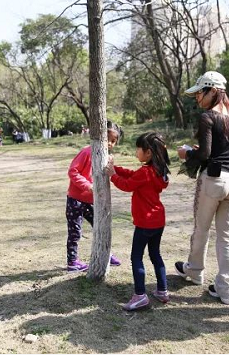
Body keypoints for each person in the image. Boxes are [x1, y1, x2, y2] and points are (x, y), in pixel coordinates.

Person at [174, 71, 229, 306]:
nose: (197, 98)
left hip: (214, 181)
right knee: (226, 236)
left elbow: (204, 154)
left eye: (200, 93)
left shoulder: (208, 117)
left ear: (213, 91)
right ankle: (226, 290)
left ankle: (194, 271)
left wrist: (188, 153)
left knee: (201, 228)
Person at [106, 132, 171, 311]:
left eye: (138, 149)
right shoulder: (158, 171)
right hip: (158, 221)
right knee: (155, 255)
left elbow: (127, 185)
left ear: (148, 152)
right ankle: (162, 290)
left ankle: (140, 295)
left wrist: (112, 175)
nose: (136, 152)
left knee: (136, 257)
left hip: (145, 223)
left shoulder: (145, 172)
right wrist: (116, 169)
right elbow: (133, 175)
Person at [66, 121, 122, 272]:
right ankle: (72, 261)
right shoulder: (86, 152)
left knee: (101, 228)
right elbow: (73, 172)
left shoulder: (108, 157)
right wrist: (88, 186)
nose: (109, 144)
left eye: (113, 141)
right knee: (75, 231)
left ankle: (106, 255)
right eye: (107, 139)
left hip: (93, 202)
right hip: (75, 200)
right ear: (100, 137)